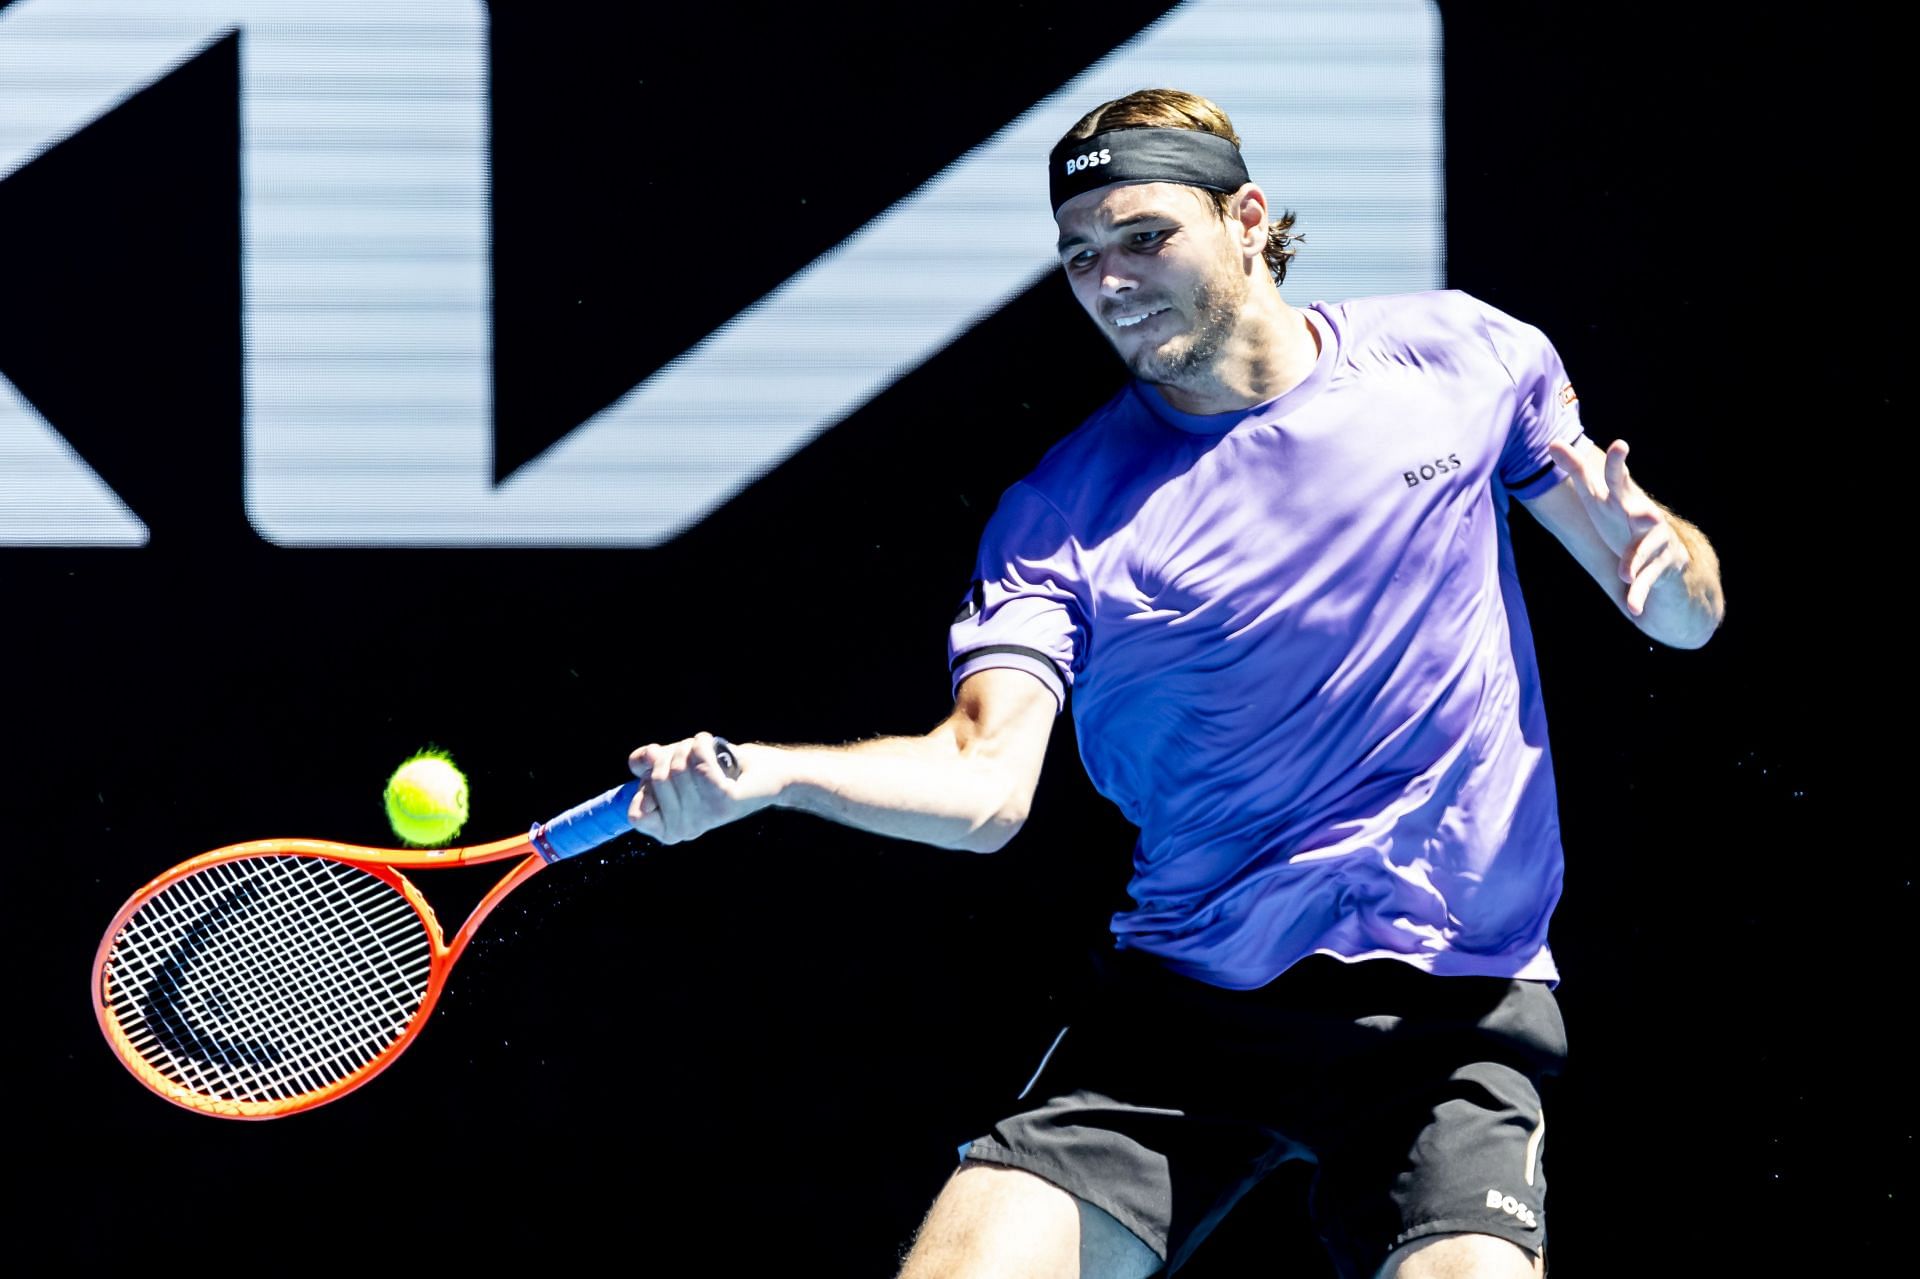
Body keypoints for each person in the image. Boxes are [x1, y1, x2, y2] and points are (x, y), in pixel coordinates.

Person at [624, 88, 1725, 1278]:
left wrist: (1667, 569)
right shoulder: (1062, 515)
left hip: (1450, 1001)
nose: (1109, 276)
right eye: (1081, 253)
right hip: (1193, 1005)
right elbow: (984, 783)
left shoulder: (1462, 357)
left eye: (1145, 234)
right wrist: (775, 776)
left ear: (1247, 218)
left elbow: (1682, 615)